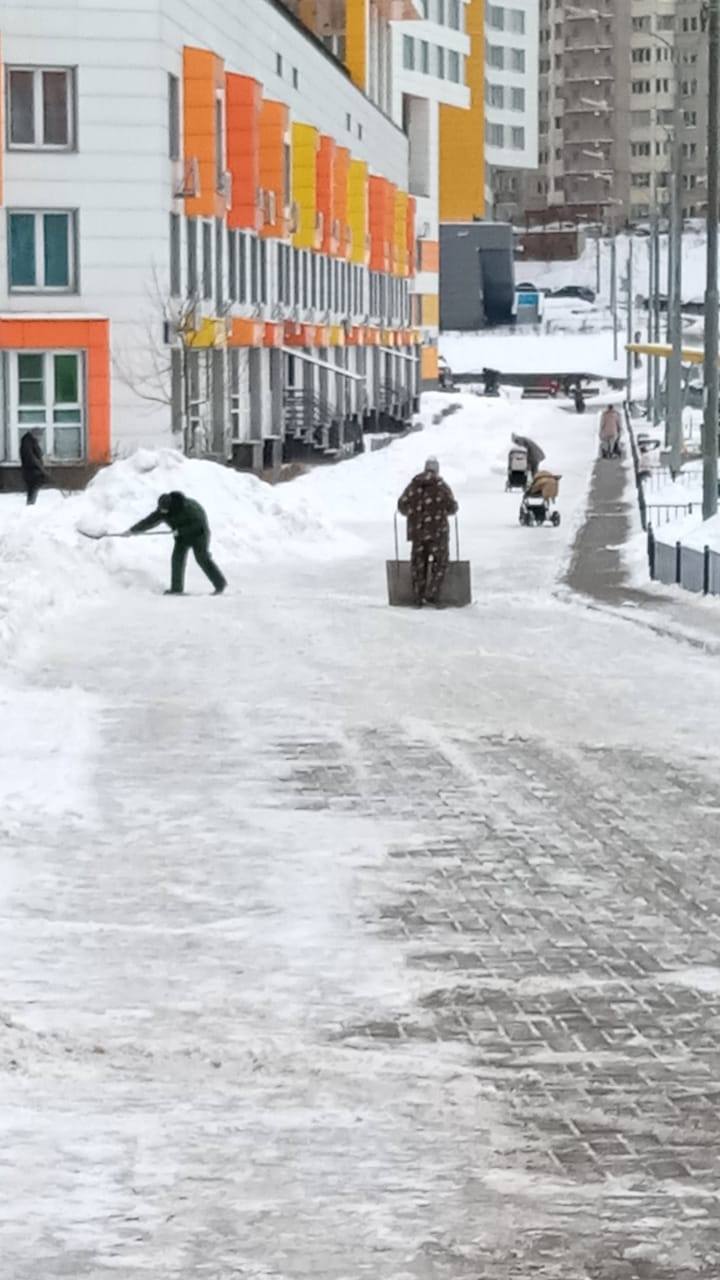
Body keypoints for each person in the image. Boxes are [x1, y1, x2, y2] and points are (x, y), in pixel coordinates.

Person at [127, 491, 227, 596]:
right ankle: (176, 589)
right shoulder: (163, 510)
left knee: (202, 558)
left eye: (165, 510)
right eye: (161, 510)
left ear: (172, 506)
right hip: (182, 536)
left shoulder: (188, 508)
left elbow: (198, 525)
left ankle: (220, 584)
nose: (163, 512)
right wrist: (133, 530)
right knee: (177, 559)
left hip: (199, 535)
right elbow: (150, 520)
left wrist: (181, 531)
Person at [397, 457, 458, 608]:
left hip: (418, 534)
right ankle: (433, 593)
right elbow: (452, 507)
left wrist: (413, 513)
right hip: (438, 534)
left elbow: (402, 505)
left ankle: (418, 598)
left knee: (418, 565)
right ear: (437, 469)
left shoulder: (413, 485)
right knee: (440, 563)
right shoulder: (441, 485)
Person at [20, 429, 49, 506]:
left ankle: (31, 505)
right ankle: (31, 506)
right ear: (35, 435)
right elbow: (31, 458)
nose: (40, 439)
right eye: (40, 436)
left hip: (33, 470)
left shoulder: (30, 442)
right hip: (32, 471)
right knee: (33, 489)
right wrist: (40, 468)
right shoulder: (28, 443)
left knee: (33, 489)